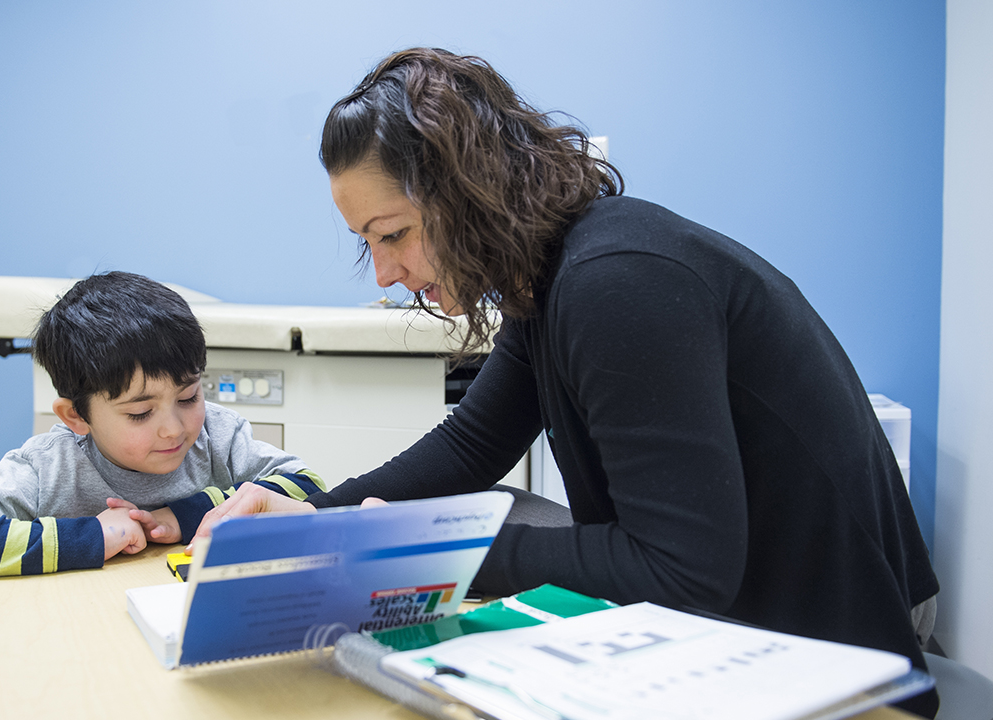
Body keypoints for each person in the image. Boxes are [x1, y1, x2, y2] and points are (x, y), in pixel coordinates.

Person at [192, 49, 940, 716]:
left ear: (468, 191)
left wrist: (418, 556)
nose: (386, 274)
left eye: (394, 234)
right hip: (753, 605)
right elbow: (470, 446)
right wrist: (314, 520)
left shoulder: (616, 282)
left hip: (840, 640)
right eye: (369, 244)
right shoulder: (548, 277)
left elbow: (683, 570)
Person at [0, 272, 324, 579]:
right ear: (76, 416)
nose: (174, 429)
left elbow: (308, 486)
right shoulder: (49, 467)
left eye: (189, 396)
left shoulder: (217, 435)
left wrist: (185, 515)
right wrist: (91, 535)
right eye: (140, 413)